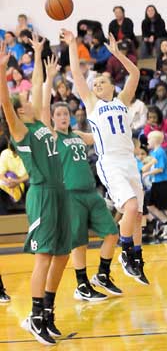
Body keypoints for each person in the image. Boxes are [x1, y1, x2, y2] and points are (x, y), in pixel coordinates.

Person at [61, 29, 149, 285]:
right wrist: (72, 44)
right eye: (95, 83)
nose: (97, 85)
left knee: (138, 215)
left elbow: (134, 73)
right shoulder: (92, 103)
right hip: (110, 162)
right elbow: (77, 75)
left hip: (129, 160)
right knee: (130, 207)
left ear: (113, 86)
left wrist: (117, 54)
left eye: (102, 82)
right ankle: (125, 253)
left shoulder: (122, 100)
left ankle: (137, 258)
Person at [0, 38, 71, 345]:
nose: (29, 98)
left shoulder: (42, 122)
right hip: (41, 194)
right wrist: (2, 70)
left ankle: (49, 312)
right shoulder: (20, 130)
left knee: (63, 254)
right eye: (24, 99)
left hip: (60, 192)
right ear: (19, 110)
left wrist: (41, 55)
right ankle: (35, 316)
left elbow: (40, 89)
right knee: (43, 257)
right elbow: (5, 102)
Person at [42, 58, 122, 300]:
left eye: (66, 113)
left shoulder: (77, 134)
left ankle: (103, 274)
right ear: (54, 119)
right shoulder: (53, 136)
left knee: (111, 232)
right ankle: (81, 284)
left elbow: (100, 135)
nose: (64, 116)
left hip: (90, 192)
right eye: (60, 114)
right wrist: (49, 80)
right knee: (79, 241)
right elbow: (43, 111)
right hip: (70, 195)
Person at [143, 130, 167, 239]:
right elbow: (147, 162)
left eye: (149, 139)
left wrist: (147, 173)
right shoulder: (153, 153)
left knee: (165, 207)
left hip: (162, 183)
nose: (148, 142)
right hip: (156, 183)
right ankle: (166, 222)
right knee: (150, 205)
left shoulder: (160, 152)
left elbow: (160, 169)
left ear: (155, 140)